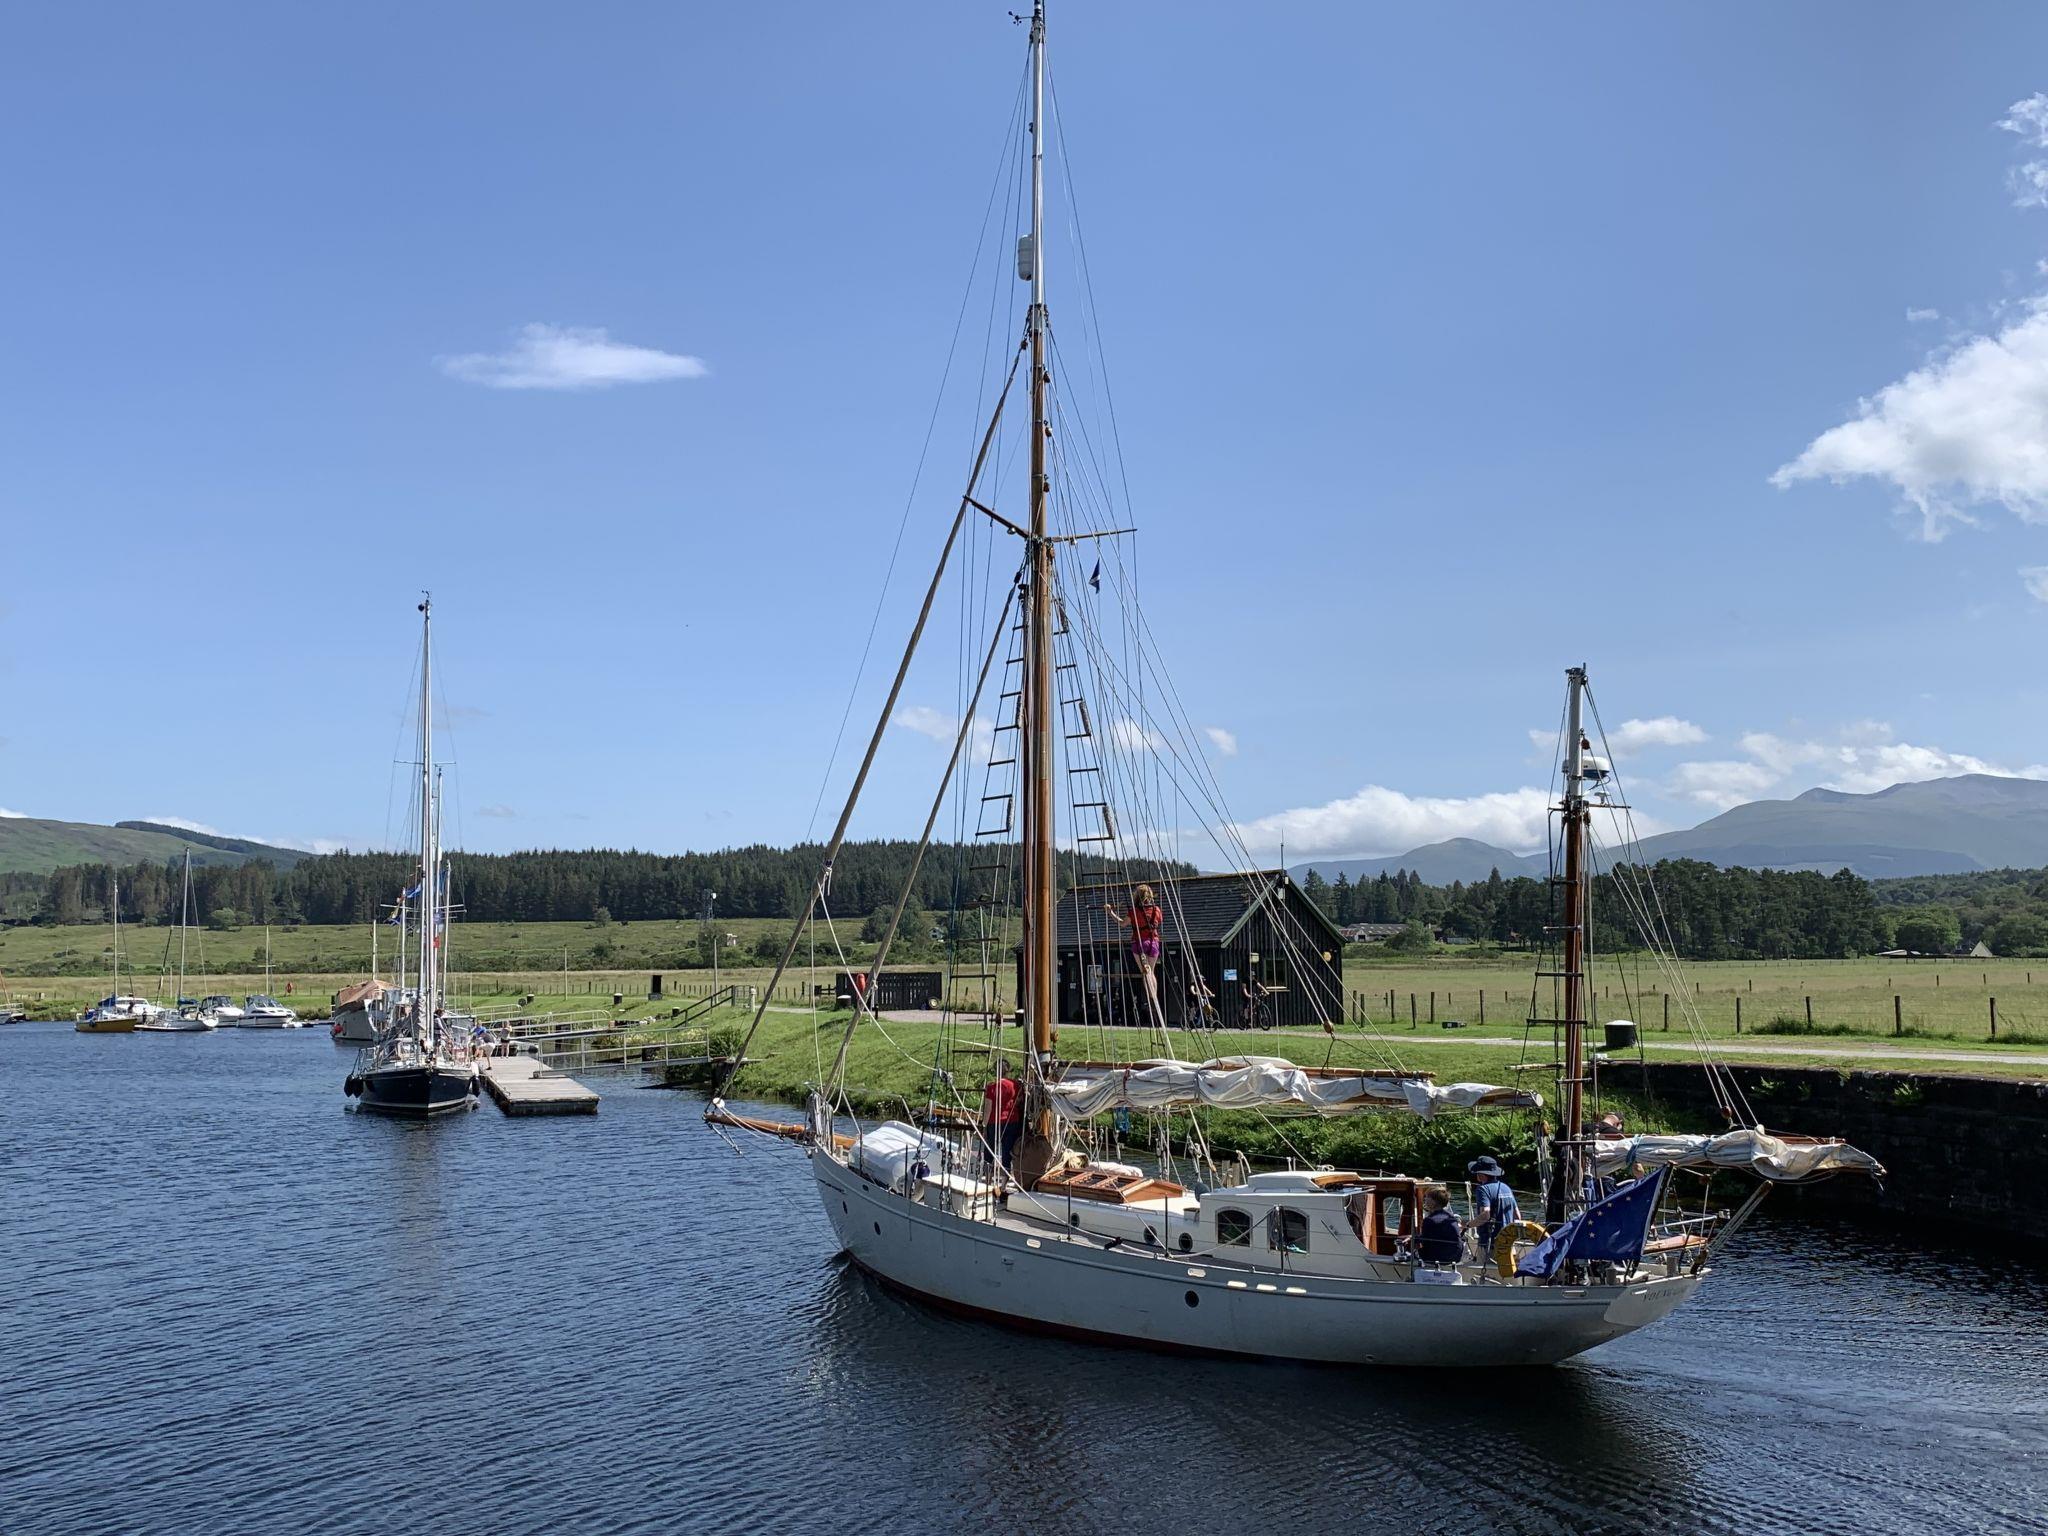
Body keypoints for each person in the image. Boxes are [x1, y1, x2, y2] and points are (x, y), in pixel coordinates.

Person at [1104, 884, 1166, 1027]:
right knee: (1152, 972)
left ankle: (1150, 997)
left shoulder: (1134, 912)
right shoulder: (1156, 910)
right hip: (1154, 943)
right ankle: (1154, 997)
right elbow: (1158, 921)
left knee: (1145, 972)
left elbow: (1122, 924)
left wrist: (1110, 912)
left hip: (1139, 943)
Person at [1466, 1155, 1520, 1257]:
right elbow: (1517, 1216)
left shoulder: (1483, 1189)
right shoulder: (1506, 1187)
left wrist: (1468, 1225)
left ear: (1481, 1174)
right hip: (1508, 1242)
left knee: (1485, 1267)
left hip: (1490, 1244)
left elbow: (1485, 1215)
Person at [981, 1062, 1022, 1177]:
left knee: (989, 1150)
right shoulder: (1015, 1085)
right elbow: (1019, 1101)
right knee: (1007, 1152)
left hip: (994, 1122)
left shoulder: (992, 1087)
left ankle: (988, 1176)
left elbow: (988, 1108)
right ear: (1008, 1071)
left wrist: (984, 1125)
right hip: (1012, 1121)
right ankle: (1004, 1180)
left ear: (996, 1071)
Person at [1413, 1187, 1464, 1266]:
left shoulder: (1429, 1220)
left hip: (1437, 1258)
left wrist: (1413, 1239)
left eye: (1427, 1197)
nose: (1425, 1199)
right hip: (1456, 1257)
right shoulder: (1451, 1217)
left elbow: (1425, 1242)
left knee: (1412, 1251)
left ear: (1433, 1202)